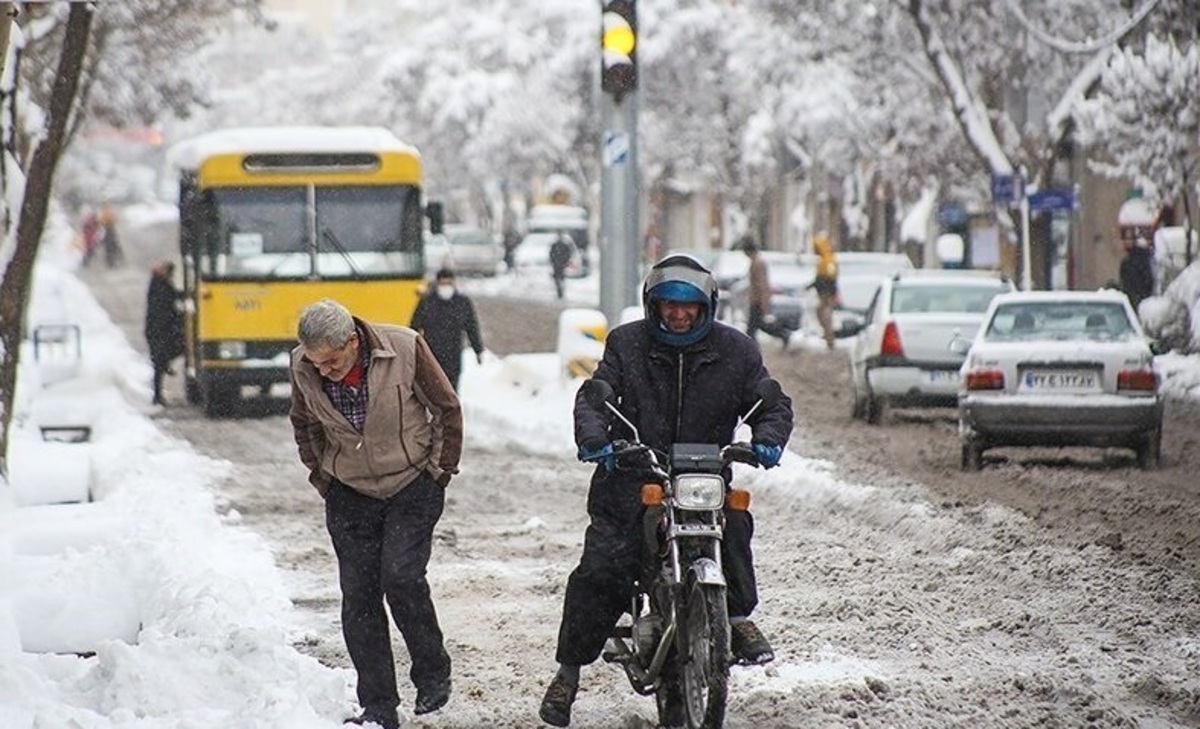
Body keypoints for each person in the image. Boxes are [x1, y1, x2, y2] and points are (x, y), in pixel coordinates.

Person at [538, 254, 794, 727]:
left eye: (689, 305)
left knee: (734, 522)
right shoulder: (626, 344)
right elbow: (597, 395)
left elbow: (769, 400)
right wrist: (597, 438)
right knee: (603, 568)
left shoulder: (736, 351)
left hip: (704, 478)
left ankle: (735, 620)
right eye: (668, 304)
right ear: (652, 305)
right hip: (632, 480)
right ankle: (567, 674)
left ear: (707, 306)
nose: (678, 313)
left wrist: (768, 438)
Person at [288, 299, 462, 729]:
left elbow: (446, 408)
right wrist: (323, 476)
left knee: (401, 577)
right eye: (316, 363)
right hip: (349, 492)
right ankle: (379, 705)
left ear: (352, 341)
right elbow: (303, 423)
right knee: (360, 597)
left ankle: (432, 672)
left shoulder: (404, 348)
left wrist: (439, 471)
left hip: (411, 484)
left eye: (331, 362)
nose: (324, 371)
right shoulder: (303, 365)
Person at [409, 268, 485, 391]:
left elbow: (471, 327)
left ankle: (450, 409)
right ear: (437, 284)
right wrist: (412, 350)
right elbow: (413, 327)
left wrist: (478, 350)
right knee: (433, 389)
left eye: (449, 284)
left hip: (453, 353)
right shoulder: (427, 302)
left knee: (451, 389)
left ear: (454, 283)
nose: (446, 287)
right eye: (443, 284)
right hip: (431, 354)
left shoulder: (462, 303)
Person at [740, 237, 793, 349]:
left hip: (757, 300)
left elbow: (762, 285)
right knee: (757, 325)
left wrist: (764, 303)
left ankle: (782, 335)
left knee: (753, 327)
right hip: (756, 299)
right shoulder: (755, 262)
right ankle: (782, 335)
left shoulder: (759, 263)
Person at [144, 260, 184, 406]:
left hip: (160, 329)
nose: (171, 276)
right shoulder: (160, 286)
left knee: (160, 362)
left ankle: (166, 364)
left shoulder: (159, 284)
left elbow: (172, 297)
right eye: (170, 273)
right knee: (159, 364)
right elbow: (168, 303)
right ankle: (157, 395)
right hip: (158, 330)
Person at [806, 232, 839, 349]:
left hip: (826, 294)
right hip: (824, 293)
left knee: (825, 315)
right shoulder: (824, 260)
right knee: (821, 314)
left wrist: (820, 287)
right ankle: (828, 337)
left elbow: (829, 279)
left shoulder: (828, 260)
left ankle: (830, 339)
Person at [1119, 235, 1155, 314]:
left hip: (1134, 295)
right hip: (1141, 296)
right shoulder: (1145, 261)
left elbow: (1124, 279)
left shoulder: (1129, 261)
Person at [98, 201, 124, 268]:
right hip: (110, 230)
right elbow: (116, 220)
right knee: (114, 245)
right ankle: (119, 259)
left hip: (106, 230)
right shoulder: (109, 212)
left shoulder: (102, 213)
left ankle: (111, 262)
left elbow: (100, 222)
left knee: (108, 248)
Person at [550, 232, 573, 300]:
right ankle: (560, 292)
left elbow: (552, 254)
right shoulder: (557, 245)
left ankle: (560, 292)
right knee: (559, 278)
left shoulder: (558, 245)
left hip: (559, 264)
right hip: (559, 264)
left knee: (559, 278)